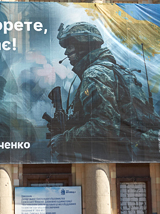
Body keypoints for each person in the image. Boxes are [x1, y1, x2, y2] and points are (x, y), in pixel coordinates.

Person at [45, 22, 128, 160]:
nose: (66, 53)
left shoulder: (94, 75)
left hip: (115, 156)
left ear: (82, 46)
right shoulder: (112, 70)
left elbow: (104, 126)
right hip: (126, 152)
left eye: (70, 47)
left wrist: (65, 138)